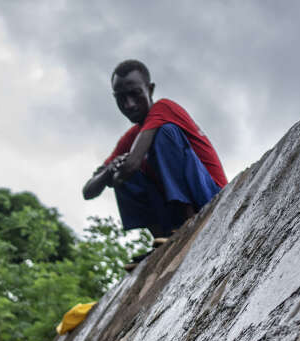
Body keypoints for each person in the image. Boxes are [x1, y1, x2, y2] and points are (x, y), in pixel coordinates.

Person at [83, 59, 227, 239]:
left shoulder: (164, 108)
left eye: (135, 94)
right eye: (121, 98)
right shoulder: (130, 137)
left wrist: (118, 171)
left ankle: (189, 220)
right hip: (172, 215)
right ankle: (161, 237)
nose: (129, 104)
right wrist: (109, 171)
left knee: (164, 133)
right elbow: (88, 191)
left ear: (150, 90)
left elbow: (131, 165)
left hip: (209, 194)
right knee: (118, 170)